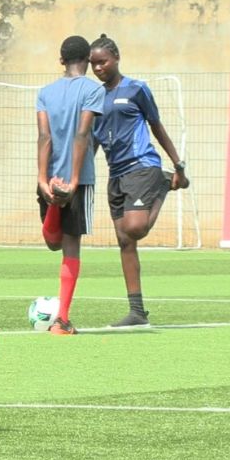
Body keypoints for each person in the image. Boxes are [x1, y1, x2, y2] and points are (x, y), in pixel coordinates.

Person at [89, 35, 190, 327]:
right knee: (124, 241)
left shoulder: (136, 89)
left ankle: (163, 184)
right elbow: (92, 140)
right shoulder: (94, 98)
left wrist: (177, 164)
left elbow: (156, 125)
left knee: (135, 229)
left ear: (116, 57)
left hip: (142, 166)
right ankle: (137, 312)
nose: (97, 68)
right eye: (93, 64)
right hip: (116, 174)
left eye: (102, 62)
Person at [36, 35, 104, 335]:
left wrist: (41, 180)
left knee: (52, 242)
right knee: (69, 245)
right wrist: (74, 181)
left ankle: (53, 204)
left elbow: (44, 137)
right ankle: (62, 320)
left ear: (61, 60)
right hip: (80, 179)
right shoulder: (93, 89)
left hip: (48, 177)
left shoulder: (45, 92)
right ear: (87, 60)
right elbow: (83, 133)